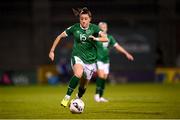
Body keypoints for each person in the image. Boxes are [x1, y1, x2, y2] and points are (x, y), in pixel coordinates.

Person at [49, 8, 107, 107]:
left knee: (83, 87)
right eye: (81, 19)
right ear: (79, 19)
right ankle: (66, 98)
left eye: (85, 19)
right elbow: (59, 36)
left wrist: (95, 38)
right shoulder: (74, 28)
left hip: (91, 61)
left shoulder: (94, 28)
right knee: (78, 73)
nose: (83, 21)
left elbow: (105, 38)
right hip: (77, 56)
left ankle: (78, 98)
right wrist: (52, 51)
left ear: (90, 19)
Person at [94, 22, 134, 102]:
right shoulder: (95, 37)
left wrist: (126, 53)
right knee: (101, 76)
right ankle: (97, 95)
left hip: (106, 60)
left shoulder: (110, 37)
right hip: (98, 59)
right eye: (101, 27)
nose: (103, 28)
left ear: (107, 28)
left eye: (105, 27)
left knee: (104, 78)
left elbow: (117, 46)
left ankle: (101, 96)